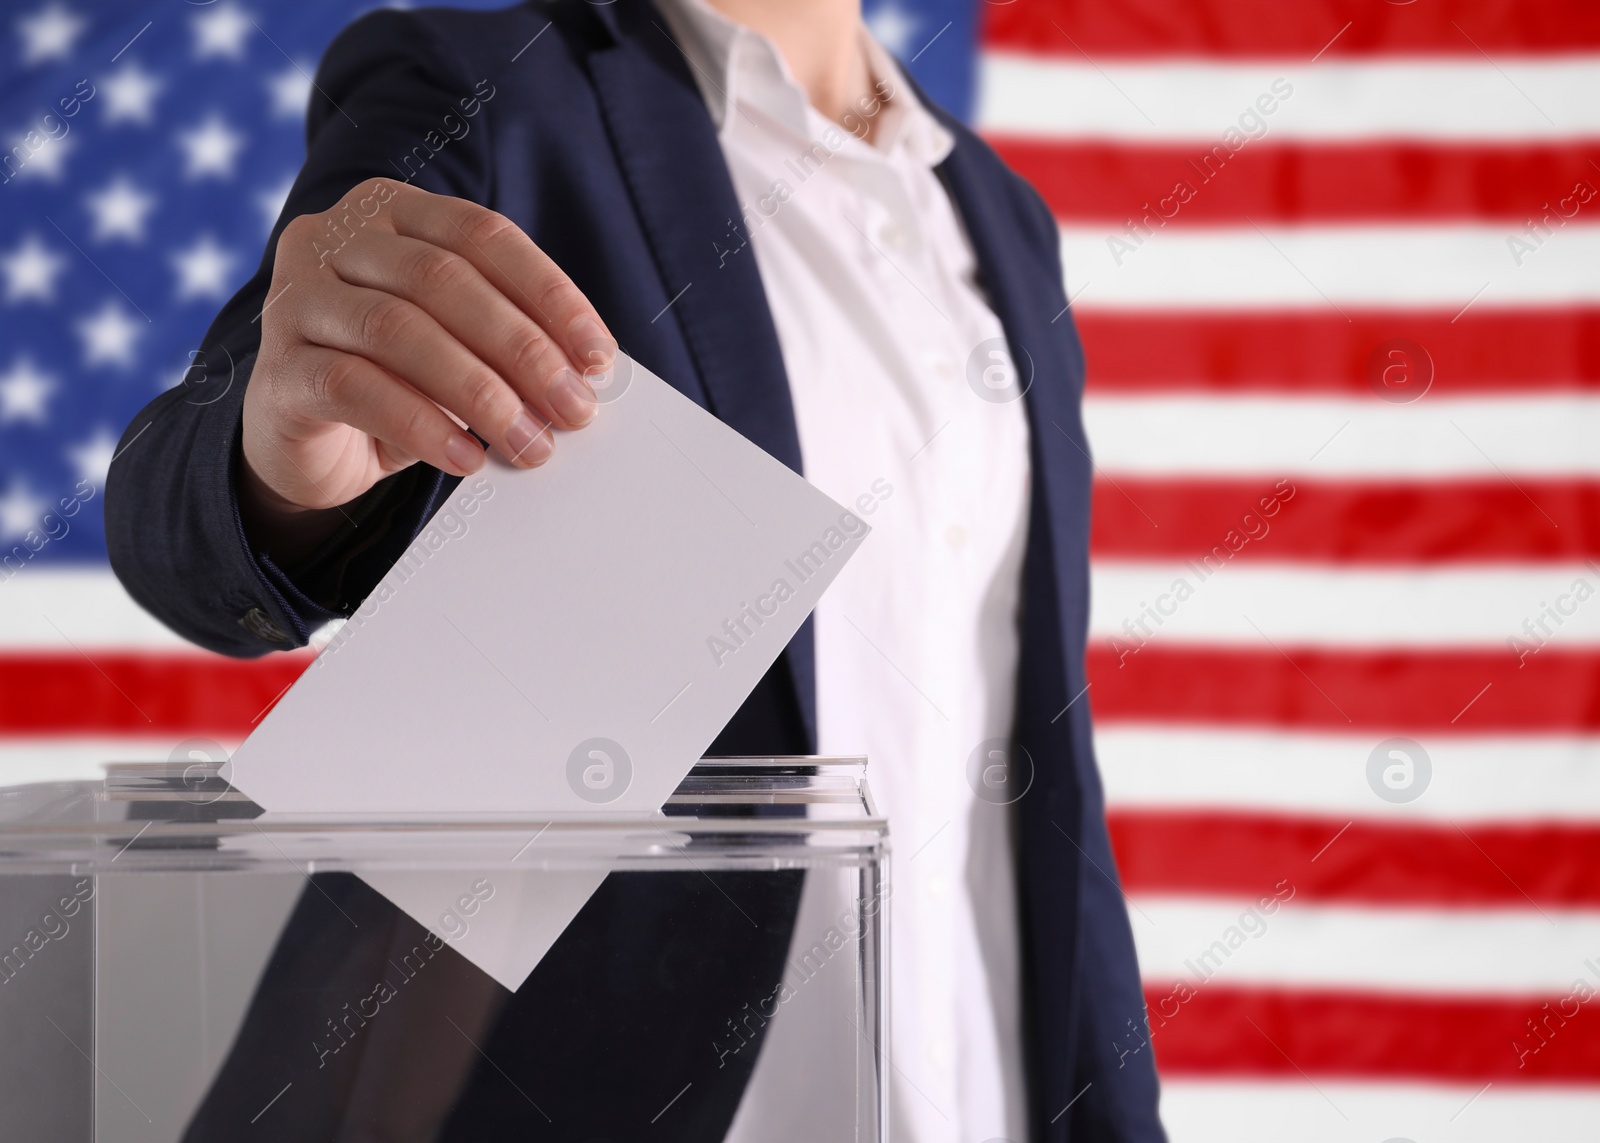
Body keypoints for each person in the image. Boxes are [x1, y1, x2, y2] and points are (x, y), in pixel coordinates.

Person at [105, 0, 1165, 1140]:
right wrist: (276, 470)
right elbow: (186, 506)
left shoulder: (996, 211)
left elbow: (1035, 753)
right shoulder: (495, 88)